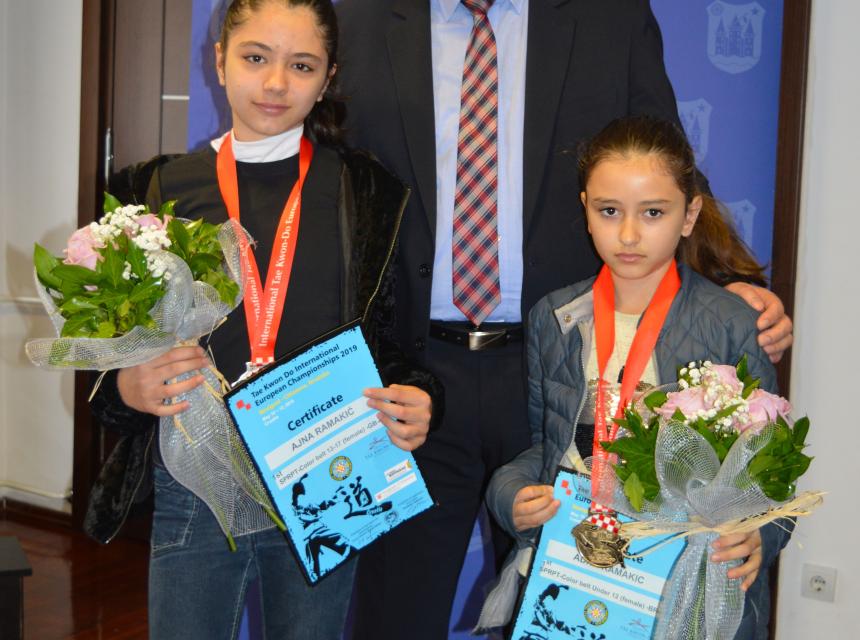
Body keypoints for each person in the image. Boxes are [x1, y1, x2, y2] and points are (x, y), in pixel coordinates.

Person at [334, 1, 793, 637]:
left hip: (559, 371)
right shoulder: (356, 19)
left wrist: (729, 280)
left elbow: (664, 162)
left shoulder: (612, 17)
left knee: (558, 614)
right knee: (393, 616)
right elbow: (327, 181)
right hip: (409, 383)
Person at [83, 1, 441, 638]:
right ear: (220, 60)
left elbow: (389, 343)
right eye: (255, 58)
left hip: (328, 471)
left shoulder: (365, 191)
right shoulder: (153, 190)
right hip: (197, 478)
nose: (276, 83)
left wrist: (415, 396)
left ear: (327, 78)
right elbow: (108, 347)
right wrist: (124, 386)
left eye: (301, 66)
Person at [486, 116, 791, 638]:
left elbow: (772, 467)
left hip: (681, 577)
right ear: (586, 209)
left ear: (689, 214)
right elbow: (544, 446)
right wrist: (508, 493)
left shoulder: (730, 322)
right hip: (579, 568)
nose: (628, 235)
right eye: (609, 211)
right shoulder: (554, 318)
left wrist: (762, 536)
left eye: (653, 212)